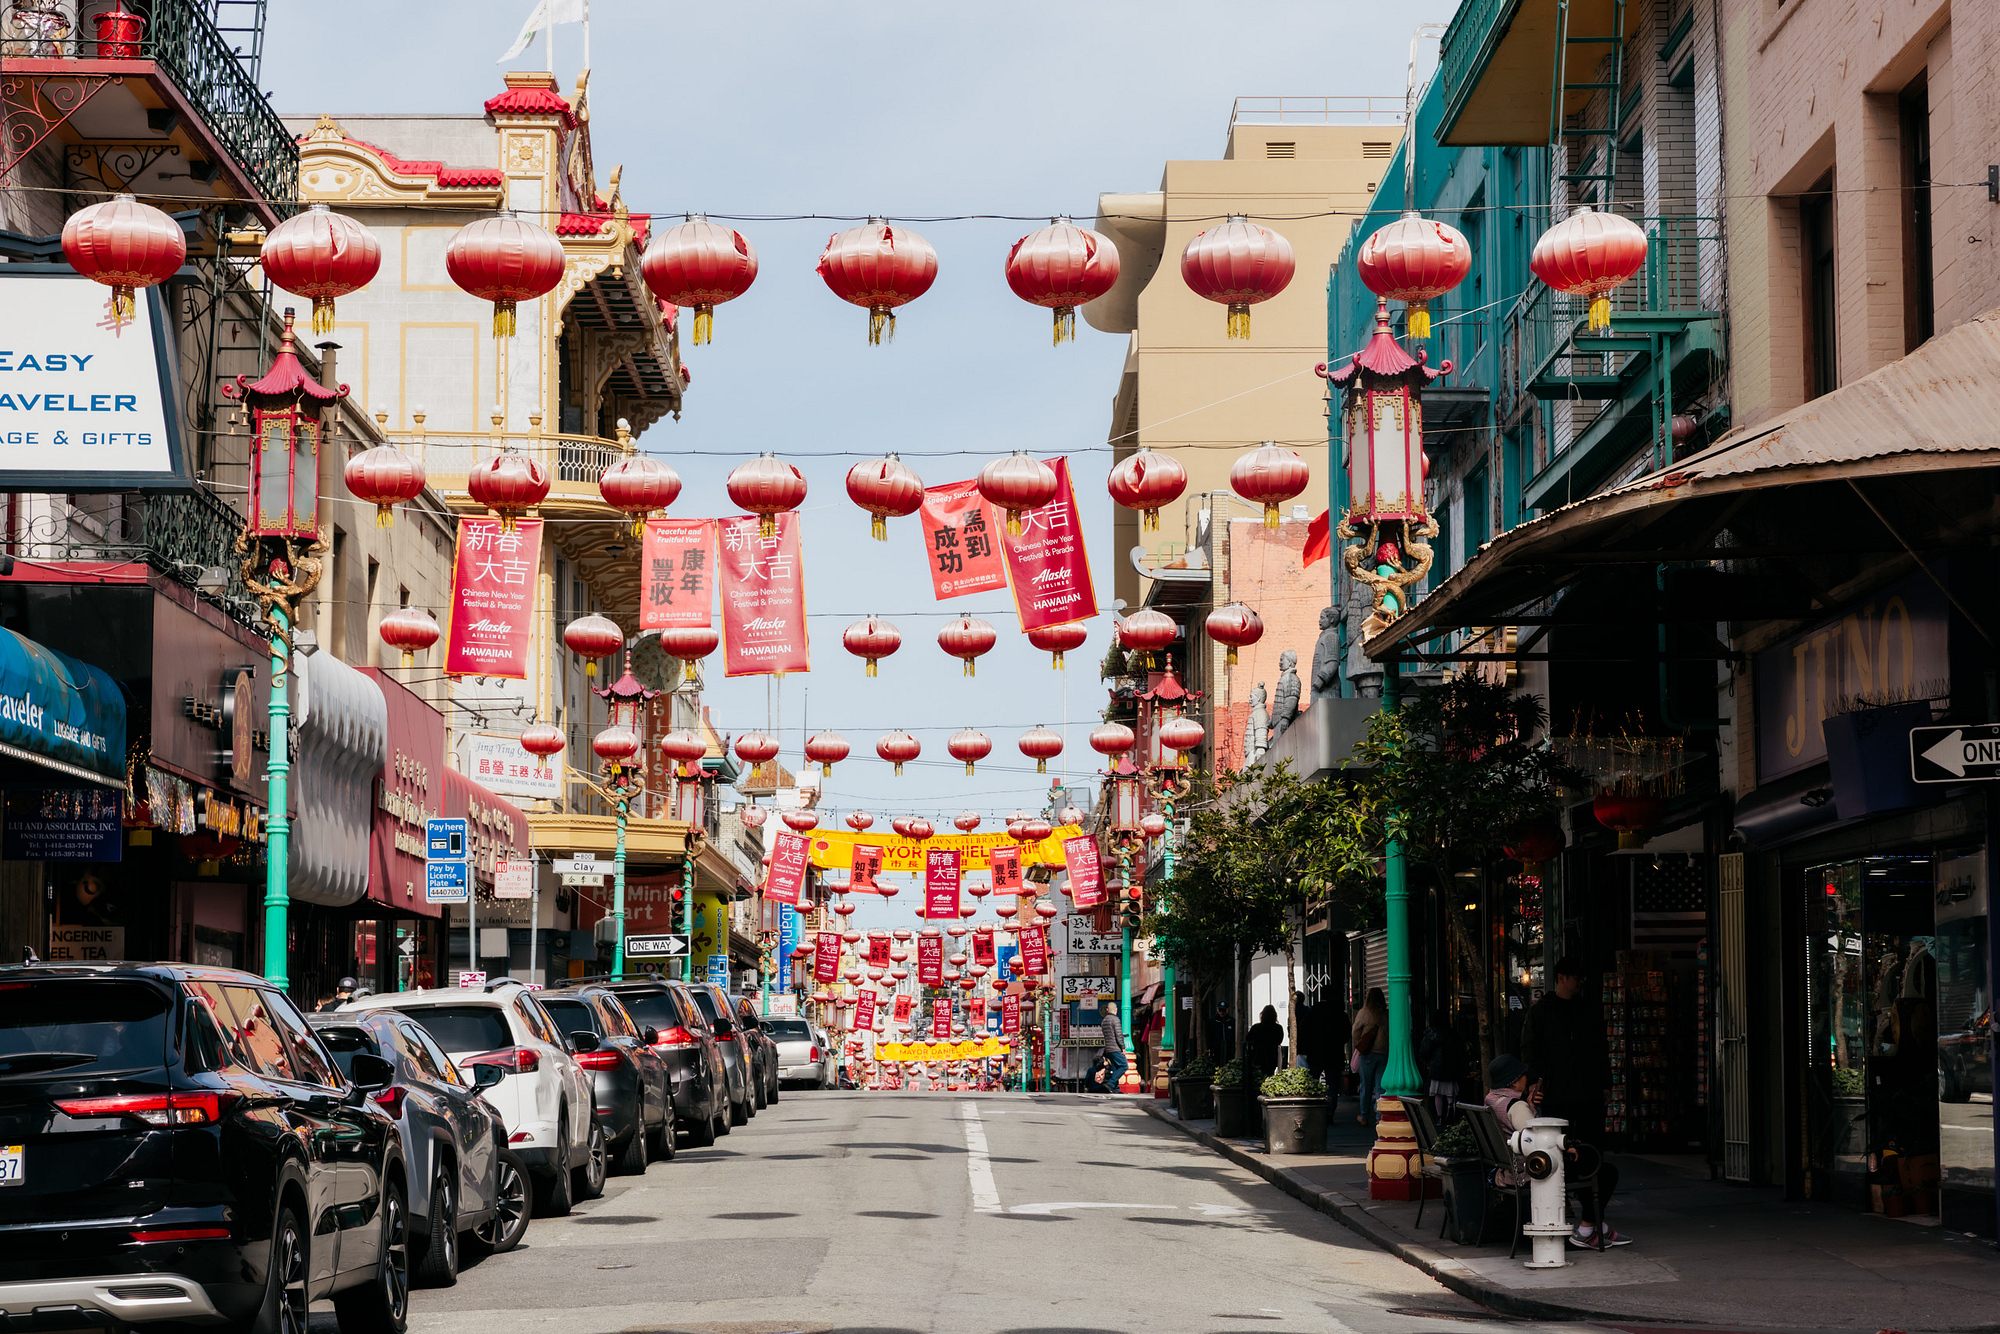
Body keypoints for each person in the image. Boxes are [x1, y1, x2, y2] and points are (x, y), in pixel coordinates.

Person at [1520, 957, 1628, 1248]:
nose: (1581, 982)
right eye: (1576, 977)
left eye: (1582, 977)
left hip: (1588, 1096)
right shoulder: (1541, 1012)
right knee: (1570, 1159)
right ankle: (1591, 1224)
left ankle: (1592, 1222)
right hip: (1558, 1098)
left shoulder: (1588, 1010)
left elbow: (1601, 1049)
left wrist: (1606, 1084)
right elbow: (1531, 1051)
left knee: (1594, 1155)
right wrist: (1535, 1083)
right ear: (1562, 978)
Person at [1418, 1008, 1468, 1121]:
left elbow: (1424, 1051)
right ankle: (1450, 1109)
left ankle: (1440, 1116)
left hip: (1436, 1067)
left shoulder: (1430, 1033)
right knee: (1450, 1092)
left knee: (1438, 1094)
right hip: (1451, 1067)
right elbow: (1460, 1051)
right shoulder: (1452, 1033)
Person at [1351, 988, 1389, 1128]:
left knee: (1365, 1086)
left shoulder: (1364, 1012)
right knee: (1380, 1087)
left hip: (1367, 1054)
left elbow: (1355, 1030)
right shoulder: (1386, 1014)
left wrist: (1359, 1044)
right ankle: (1379, 1116)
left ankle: (1364, 1116)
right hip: (1383, 1053)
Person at [1247, 1004, 1285, 1079]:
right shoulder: (1278, 1028)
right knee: (1270, 1074)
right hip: (1272, 1056)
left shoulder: (1256, 1028)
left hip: (1258, 1055)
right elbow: (1279, 1040)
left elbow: (1248, 1038)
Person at [1098, 998, 1127, 1092]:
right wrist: (1123, 1047)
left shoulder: (1104, 1020)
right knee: (1124, 1065)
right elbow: (1118, 1036)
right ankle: (1110, 1083)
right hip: (1115, 1048)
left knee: (1115, 1067)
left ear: (1107, 1010)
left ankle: (1116, 1089)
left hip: (1108, 1048)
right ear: (1116, 1009)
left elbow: (1110, 1034)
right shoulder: (1115, 1019)